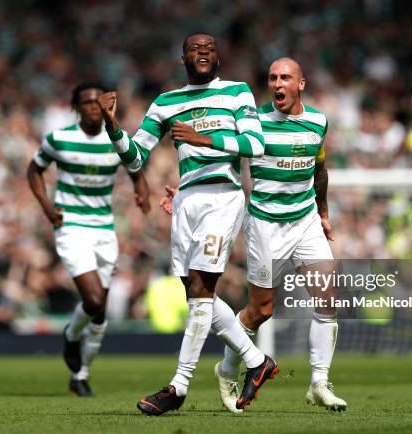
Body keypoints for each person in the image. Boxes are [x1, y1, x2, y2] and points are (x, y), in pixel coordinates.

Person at [99, 32, 278, 415]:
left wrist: (205, 138)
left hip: (223, 198)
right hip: (186, 200)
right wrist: (114, 128)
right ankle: (257, 361)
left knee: (200, 291)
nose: (203, 52)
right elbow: (135, 158)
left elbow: (256, 143)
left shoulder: (237, 93)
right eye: (195, 49)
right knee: (197, 295)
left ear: (218, 58)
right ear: (183, 59)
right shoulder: (166, 103)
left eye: (210, 48)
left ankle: (178, 387)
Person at [162, 57, 347, 412]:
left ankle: (319, 382)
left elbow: (319, 169)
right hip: (264, 224)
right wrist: (188, 191)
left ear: (301, 84)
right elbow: (221, 156)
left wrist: (323, 212)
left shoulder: (318, 122)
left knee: (328, 299)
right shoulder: (254, 121)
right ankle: (227, 370)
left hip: (305, 220)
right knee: (260, 311)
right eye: (272, 78)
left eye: (285, 78)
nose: (277, 84)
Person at [27, 82, 150, 397]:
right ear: (75, 107)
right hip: (71, 227)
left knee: (100, 315)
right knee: (94, 300)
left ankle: (80, 375)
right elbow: (34, 170)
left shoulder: (116, 139)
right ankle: (70, 333)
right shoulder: (60, 139)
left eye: (99, 101)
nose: (94, 106)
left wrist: (141, 188)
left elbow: (135, 166)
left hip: (104, 230)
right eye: (87, 102)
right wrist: (46, 206)